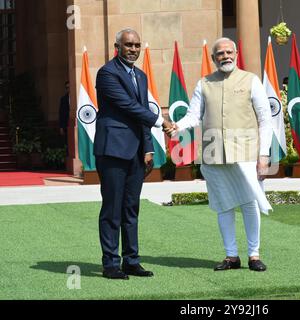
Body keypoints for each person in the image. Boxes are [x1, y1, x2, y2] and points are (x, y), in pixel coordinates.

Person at [166, 37, 273, 272]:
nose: (225, 56)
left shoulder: (251, 80)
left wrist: (264, 156)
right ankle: (231, 256)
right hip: (214, 155)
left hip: (246, 154)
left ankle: (254, 255)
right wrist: (177, 127)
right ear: (214, 59)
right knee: (223, 205)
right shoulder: (204, 83)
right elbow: (194, 115)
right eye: (220, 54)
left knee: (249, 203)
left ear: (236, 53)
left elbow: (266, 120)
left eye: (228, 52)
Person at [94, 28, 173, 280]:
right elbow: (127, 106)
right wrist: (162, 122)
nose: (133, 49)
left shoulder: (140, 75)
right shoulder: (107, 73)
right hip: (113, 151)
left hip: (136, 153)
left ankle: (131, 261)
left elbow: (140, 111)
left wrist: (148, 147)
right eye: (128, 45)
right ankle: (110, 264)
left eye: (137, 45)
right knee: (112, 209)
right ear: (117, 46)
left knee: (131, 208)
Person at [59, 81, 70, 149]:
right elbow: (61, 113)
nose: (68, 89)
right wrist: (61, 127)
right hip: (66, 124)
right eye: (67, 87)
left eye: (69, 87)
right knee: (67, 142)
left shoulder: (79, 97)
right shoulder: (63, 99)